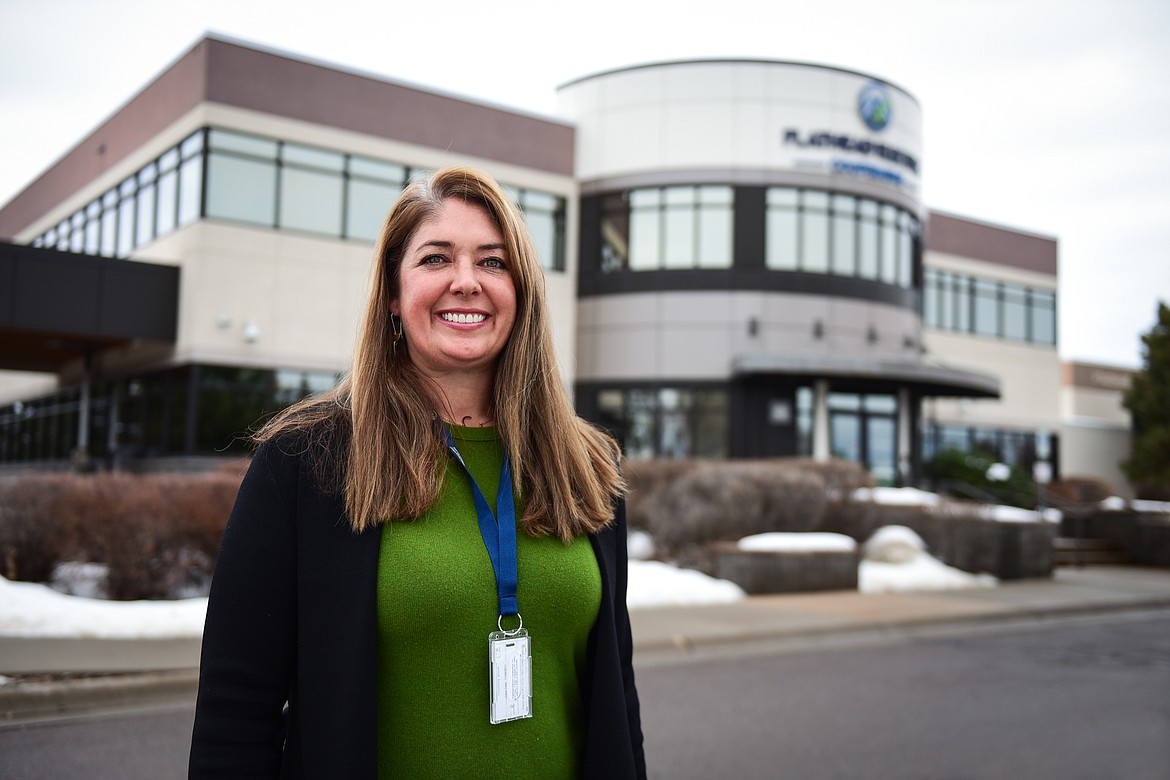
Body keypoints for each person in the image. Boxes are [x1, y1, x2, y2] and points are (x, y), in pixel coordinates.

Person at [188, 166, 645, 778]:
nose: (467, 282)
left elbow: (617, 698)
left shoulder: (587, 466)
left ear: (522, 291)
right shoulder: (306, 461)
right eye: (435, 259)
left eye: (493, 262)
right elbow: (235, 712)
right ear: (391, 294)